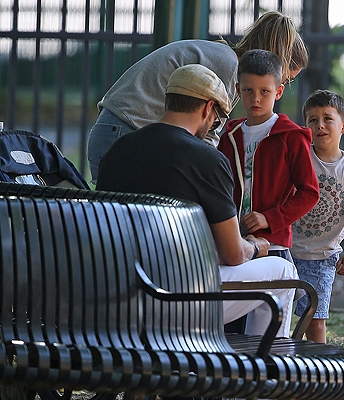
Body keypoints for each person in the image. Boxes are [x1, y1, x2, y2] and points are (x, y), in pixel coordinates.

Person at [95, 64, 298, 338]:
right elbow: (233, 254)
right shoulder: (207, 160)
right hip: (177, 303)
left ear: (167, 101)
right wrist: (255, 246)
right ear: (208, 108)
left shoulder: (118, 151)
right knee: (283, 271)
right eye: (216, 118)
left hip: (117, 296)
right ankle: (260, 371)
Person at [87, 11, 308, 182]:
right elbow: (206, 139)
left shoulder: (223, 58)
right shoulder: (230, 68)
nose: (281, 86)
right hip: (124, 133)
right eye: (285, 80)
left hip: (117, 131)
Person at [217, 49, 319, 263]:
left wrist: (269, 218)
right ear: (237, 89)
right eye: (248, 90)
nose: (255, 99)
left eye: (265, 91)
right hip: (233, 242)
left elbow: (309, 193)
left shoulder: (291, 137)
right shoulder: (229, 136)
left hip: (273, 245)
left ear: (278, 92)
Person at [290, 90, 344, 343]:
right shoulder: (300, 157)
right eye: (313, 120)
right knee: (277, 314)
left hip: (324, 256)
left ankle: (318, 372)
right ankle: (285, 361)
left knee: (316, 320)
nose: (320, 125)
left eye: (327, 118)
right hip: (288, 251)